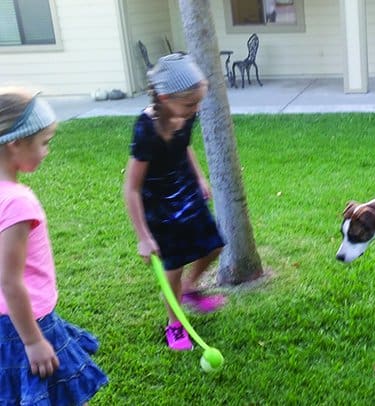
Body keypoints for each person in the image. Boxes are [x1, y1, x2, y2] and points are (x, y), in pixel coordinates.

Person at [0, 87, 108, 404]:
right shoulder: (18, 202)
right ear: (15, 143)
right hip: (28, 321)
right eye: (44, 142)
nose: (47, 151)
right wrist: (33, 341)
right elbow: (9, 280)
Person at [123, 53, 226, 351]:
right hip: (158, 202)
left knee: (215, 244)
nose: (195, 109)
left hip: (185, 189)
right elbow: (131, 188)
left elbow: (185, 148)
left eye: (197, 103)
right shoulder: (146, 129)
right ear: (165, 98)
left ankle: (190, 289)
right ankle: (174, 324)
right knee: (173, 268)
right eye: (190, 104)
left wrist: (200, 177)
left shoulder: (186, 114)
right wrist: (143, 238)